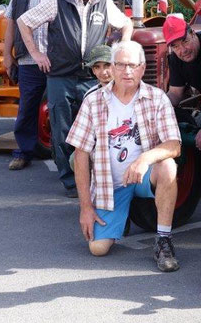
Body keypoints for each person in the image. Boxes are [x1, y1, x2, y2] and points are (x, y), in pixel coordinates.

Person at [18, 0, 132, 197]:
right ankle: (70, 181)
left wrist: (122, 49)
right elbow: (24, 22)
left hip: (92, 77)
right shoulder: (56, 2)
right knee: (62, 129)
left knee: (96, 130)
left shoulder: (104, 4)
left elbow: (126, 25)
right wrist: (37, 54)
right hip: (61, 76)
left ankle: (94, 176)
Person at [67, 41, 182, 271]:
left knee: (168, 166)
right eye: (121, 65)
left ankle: (163, 239)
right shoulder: (93, 101)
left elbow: (174, 145)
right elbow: (80, 154)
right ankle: (122, 213)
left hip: (143, 176)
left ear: (142, 68)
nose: (127, 72)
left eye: (132, 65)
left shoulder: (157, 98)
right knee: (97, 248)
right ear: (113, 67)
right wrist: (86, 207)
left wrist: (144, 159)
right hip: (111, 185)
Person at [3, 0, 73, 171]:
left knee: (62, 109)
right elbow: (12, 21)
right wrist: (7, 55)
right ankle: (23, 151)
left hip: (59, 60)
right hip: (29, 59)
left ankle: (66, 157)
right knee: (28, 107)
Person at [162, 14, 201, 151]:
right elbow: (175, 93)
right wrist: (156, 107)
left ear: (192, 33)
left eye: (185, 41)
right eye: (175, 46)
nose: (182, 50)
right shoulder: (175, 59)